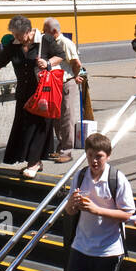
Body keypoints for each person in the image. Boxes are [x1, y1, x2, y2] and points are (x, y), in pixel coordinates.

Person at [0, 14, 64, 177]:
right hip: (23, 94)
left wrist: (48, 63)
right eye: (14, 35)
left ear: (28, 31)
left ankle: (32, 164)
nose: (16, 38)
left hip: (42, 94)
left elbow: (61, 56)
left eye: (19, 35)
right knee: (24, 129)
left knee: (38, 128)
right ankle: (35, 162)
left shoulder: (45, 40)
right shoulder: (13, 45)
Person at [63, 133, 135, 271]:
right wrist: (71, 204)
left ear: (108, 156)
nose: (94, 161)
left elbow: (127, 213)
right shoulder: (80, 176)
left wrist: (97, 210)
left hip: (107, 249)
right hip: (81, 245)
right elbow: (70, 211)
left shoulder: (117, 178)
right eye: (89, 156)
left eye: (99, 156)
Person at [42, 16, 82, 164]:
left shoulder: (65, 43)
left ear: (53, 31)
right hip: (55, 83)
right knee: (57, 118)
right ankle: (60, 148)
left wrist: (76, 75)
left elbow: (76, 63)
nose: (42, 33)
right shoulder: (52, 43)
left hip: (66, 82)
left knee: (66, 118)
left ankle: (67, 150)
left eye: (44, 31)